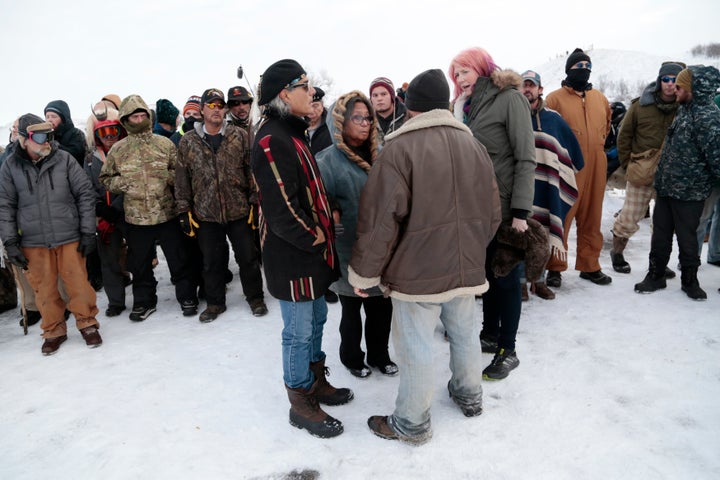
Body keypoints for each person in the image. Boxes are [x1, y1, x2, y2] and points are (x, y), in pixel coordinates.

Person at [349, 69, 501, 445]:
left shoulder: (399, 149)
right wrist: (472, 248)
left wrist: (365, 275)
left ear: (410, 107)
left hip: (418, 272)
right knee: (464, 332)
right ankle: (470, 395)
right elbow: (492, 210)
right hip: (466, 266)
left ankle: (411, 422)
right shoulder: (474, 146)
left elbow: (380, 220)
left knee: (416, 344)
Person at [251, 59, 352, 439]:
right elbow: (282, 211)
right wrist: (318, 237)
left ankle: (315, 380)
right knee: (296, 331)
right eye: (305, 85)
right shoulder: (271, 139)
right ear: (284, 94)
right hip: (293, 257)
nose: (312, 92)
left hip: (312, 256)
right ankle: (300, 401)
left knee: (316, 322)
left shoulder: (295, 133)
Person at [449, 47, 535, 380]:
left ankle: (508, 349)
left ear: (482, 68)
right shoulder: (462, 107)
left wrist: (520, 211)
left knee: (507, 277)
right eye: (455, 74)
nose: (459, 79)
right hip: (473, 207)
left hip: (504, 206)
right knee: (485, 274)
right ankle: (489, 332)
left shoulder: (509, 98)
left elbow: (525, 157)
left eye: (464, 71)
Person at [0, 114, 102, 354]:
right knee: (44, 290)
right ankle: (54, 330)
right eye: (39, 136)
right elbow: (5, 205)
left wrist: (88, 232)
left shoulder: (64, 159)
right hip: (33, 241)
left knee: (78, 285)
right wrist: (10, 241)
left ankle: (87, 324)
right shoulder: (10, 167)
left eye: (49, 135)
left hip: (69, 236)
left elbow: (85, 195)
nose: (46, 141)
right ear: (25, 139)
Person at [316, 90, 395, 378]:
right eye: (357, 117)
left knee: (381, 309)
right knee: (351, 310)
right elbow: (319, 200)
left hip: (381, 248)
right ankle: (351, 357)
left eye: (368, 117)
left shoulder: (383, 155)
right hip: (346, 247)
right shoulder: (327, 161)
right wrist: (334, 209)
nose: (364, 123)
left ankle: (379, 354)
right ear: (340, 122)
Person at [100, 95, 199, 321]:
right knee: (140, 264)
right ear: (126, 119)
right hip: (136, 219)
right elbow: (105, 178)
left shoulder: (164, 144)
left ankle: (187, 296)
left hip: (167, 214)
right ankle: (144, 302)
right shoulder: (118, 149)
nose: (139, 119)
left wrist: (168, 176)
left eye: (143, 115)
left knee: (179, 260)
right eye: (134, 116)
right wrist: (123, 183)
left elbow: (181, 173)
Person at [176, 88, 267, 322]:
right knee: (212, 262)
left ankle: (255, 298)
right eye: (212, 105)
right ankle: (215, 303)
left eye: (220, 106)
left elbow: (251, 170)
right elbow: (182, 178)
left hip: (239, 211)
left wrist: (254, 201)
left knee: (247, 257)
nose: (217, 110)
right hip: (206, 214)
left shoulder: (239, 136)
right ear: (203, 110)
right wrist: (184, 210)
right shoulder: (188, 141)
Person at [634, 65, 720, 300]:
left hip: (690, 193)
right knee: (659, 236)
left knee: (688, 238)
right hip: (666, 188)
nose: (676, 90)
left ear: (694, 89)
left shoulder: (708, 118)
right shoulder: (685, 110)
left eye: (681, 86)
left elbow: (717, 158)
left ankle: (690, 281)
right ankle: (656, 275)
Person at [545, 48, 613, 287]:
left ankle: (589, 265)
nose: (583, 70)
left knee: (592, 216)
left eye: (587, 66)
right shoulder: (554, 99)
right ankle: (555, 267)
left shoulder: (600, 98)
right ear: (568, 70)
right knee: (562, 214)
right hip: (567, 166)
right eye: (578, 66)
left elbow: (607, 125)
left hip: (596, 164)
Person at [611, 62, 685, 275]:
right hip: (641, 172)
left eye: (674, 80)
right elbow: (624, 137)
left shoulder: (685, 107)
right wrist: (629, 165)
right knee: (629, 216)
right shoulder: (640, 106)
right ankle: (617, 253)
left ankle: (658, 262)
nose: (670, 85)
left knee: (662, 224)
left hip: (671, 175)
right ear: (660, 80)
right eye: (666, 79)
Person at [520, 70, 585, 300]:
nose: (527, 89)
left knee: (543, 235)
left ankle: (538, 281)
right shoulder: (513, 116)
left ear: (540, 89)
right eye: (523, 85)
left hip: (546, 188)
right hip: (520, 186)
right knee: (517, 234)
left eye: (531, 85)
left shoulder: (553, 119)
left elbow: (575, 155)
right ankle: (520, 283)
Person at [84, 107, 130, 317]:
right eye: (103, 133)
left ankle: (143, 297)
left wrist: (116, 207)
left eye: (113, 131)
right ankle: (116, 302)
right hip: (105, 217)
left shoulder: (128, 153)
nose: (109, 137)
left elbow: (132, 181)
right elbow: (86, 187)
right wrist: (100, 209)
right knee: (109, 261)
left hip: (129, 212)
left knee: (138, 257)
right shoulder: (91, 159)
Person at [305, 86, 338, 305]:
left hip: (327, 189)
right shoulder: (298, 129)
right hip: (307, 191)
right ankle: (315, 281)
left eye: (316, 105)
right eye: (310, 105)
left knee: (329, 238)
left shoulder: (330, 129)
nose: (312, 111)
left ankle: (328, 284)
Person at [44, 100, 87, 164]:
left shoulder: (76, 134)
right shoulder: (44, 135)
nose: (49, 120)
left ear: (63, 119)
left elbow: (76, 155)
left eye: (54, 116)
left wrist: (55, 146)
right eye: (47, 117)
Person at [369, 77, 407, 141]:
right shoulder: (367, 122)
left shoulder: (408, 117)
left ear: (392, 96)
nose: (379, 99)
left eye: (383, 94)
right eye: (375, 95)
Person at [307, 87, 332, 156]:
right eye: (308, 106)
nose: (311, 111)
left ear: (322, 105)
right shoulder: (298, 125)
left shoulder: (331, 126)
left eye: (315, 106)